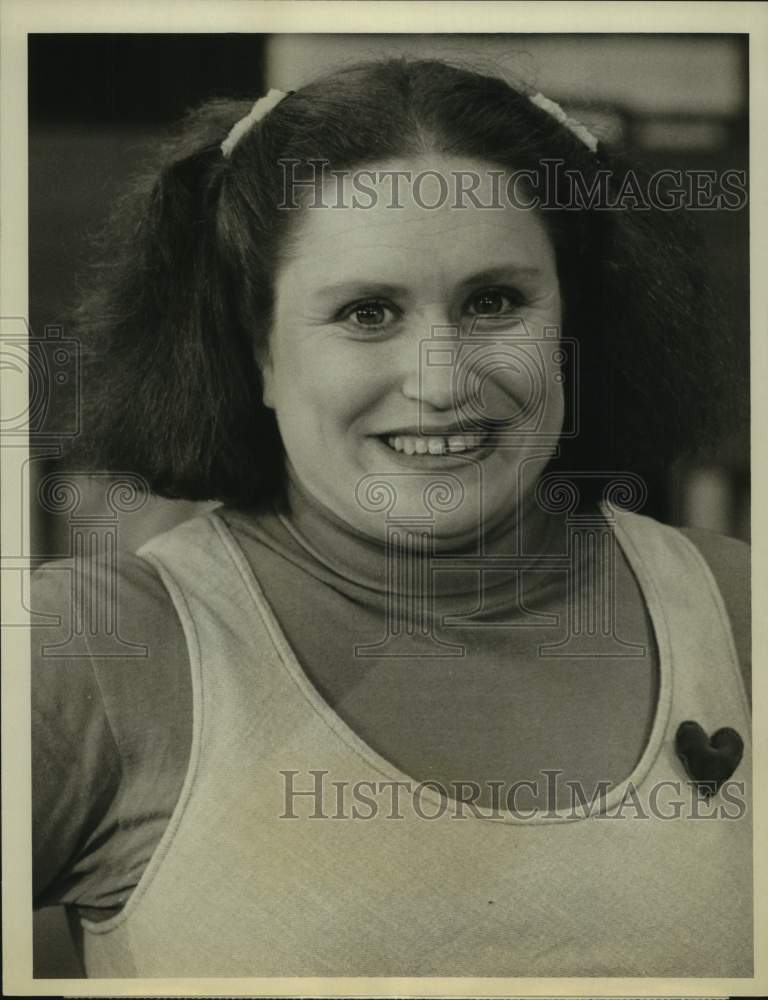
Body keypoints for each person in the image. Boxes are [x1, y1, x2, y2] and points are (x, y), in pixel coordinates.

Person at [32, 57, 751, 978]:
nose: (444, 379)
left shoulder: (739, 614)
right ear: (257, 354)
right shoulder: (92, 648)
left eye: (495, 302)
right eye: (368, 313)